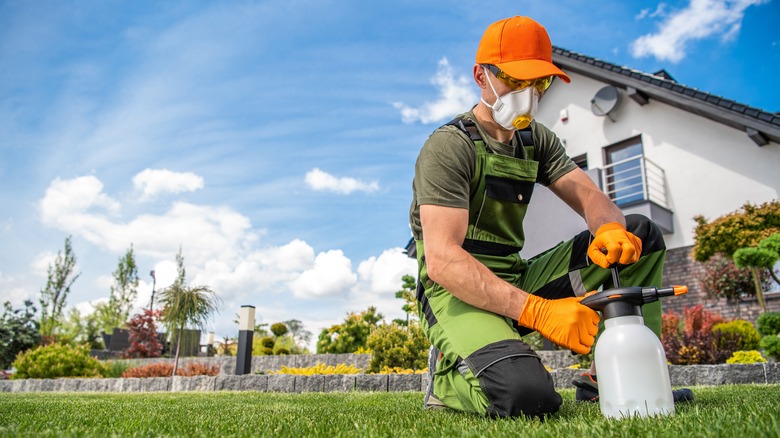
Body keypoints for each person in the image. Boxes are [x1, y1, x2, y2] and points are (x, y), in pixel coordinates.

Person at [409, 16, 689, 419]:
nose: (528, 94)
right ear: (481, 76)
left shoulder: (535, 139)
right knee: (527, 398)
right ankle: (447, 381)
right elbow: (442, 261)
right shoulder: (449, 147)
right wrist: (538, 312)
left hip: (518, 277)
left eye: (539, 83)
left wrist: (608, 227)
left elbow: (591, 195)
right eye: (516, 80)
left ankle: (608, 379)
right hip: (454, 291)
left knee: (639, 234)